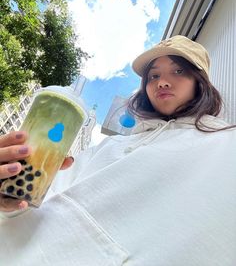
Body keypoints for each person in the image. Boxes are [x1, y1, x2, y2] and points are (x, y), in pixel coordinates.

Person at [0, 35, 235, 266]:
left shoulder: (225, 145)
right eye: (154, 75)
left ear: (200, 81)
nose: (162, 82)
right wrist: (9, 201)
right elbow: (31, 209)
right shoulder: (109, 147)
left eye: (178, 71)